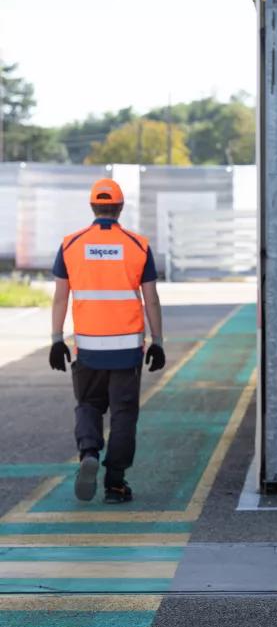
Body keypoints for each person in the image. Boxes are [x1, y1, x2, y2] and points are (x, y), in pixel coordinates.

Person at [49, 178, 166, 502]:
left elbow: (60, 297)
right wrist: (157, 340)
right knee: (123, 414)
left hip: (88, 347)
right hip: (127, 348)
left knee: (88, 404)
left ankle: (89, 452)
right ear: (120, 207)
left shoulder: (71, 244)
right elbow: (151, 299)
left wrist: (57, 339)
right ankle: (115, 483)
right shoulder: (137, 245)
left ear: (92, 207)